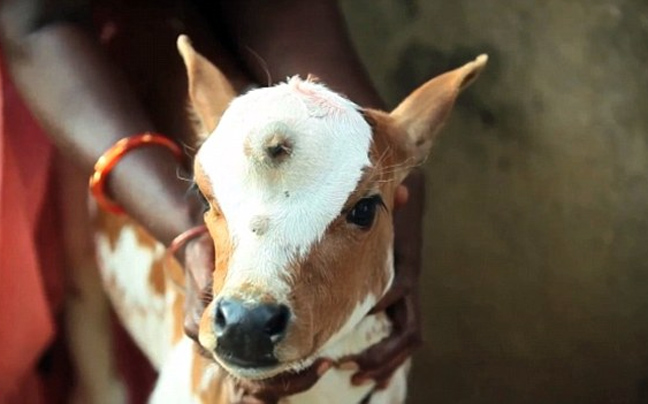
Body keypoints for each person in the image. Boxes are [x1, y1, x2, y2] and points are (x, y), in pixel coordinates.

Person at [0, 0, 423, 402]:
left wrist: (380, 151)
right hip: (75, 81)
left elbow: (284, 8)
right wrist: (189, 227)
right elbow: (35, 21)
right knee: (85, 300)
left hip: (233, 43)